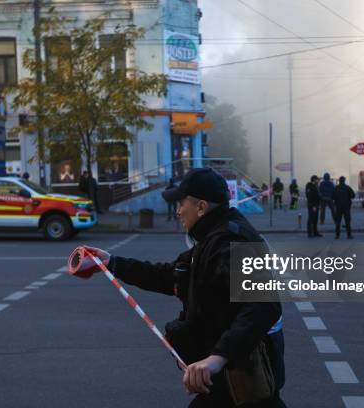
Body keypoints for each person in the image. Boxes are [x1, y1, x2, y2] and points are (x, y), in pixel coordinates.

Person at [84, 168, 286, 407]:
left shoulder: (232, 242)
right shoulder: (210, 237)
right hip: (225, 378)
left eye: (181, 204)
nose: (178, 211)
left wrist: (216, 359)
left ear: (201, 207)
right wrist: (112, 263)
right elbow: (170, 276)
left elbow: (263, 306)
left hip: (241, 378)